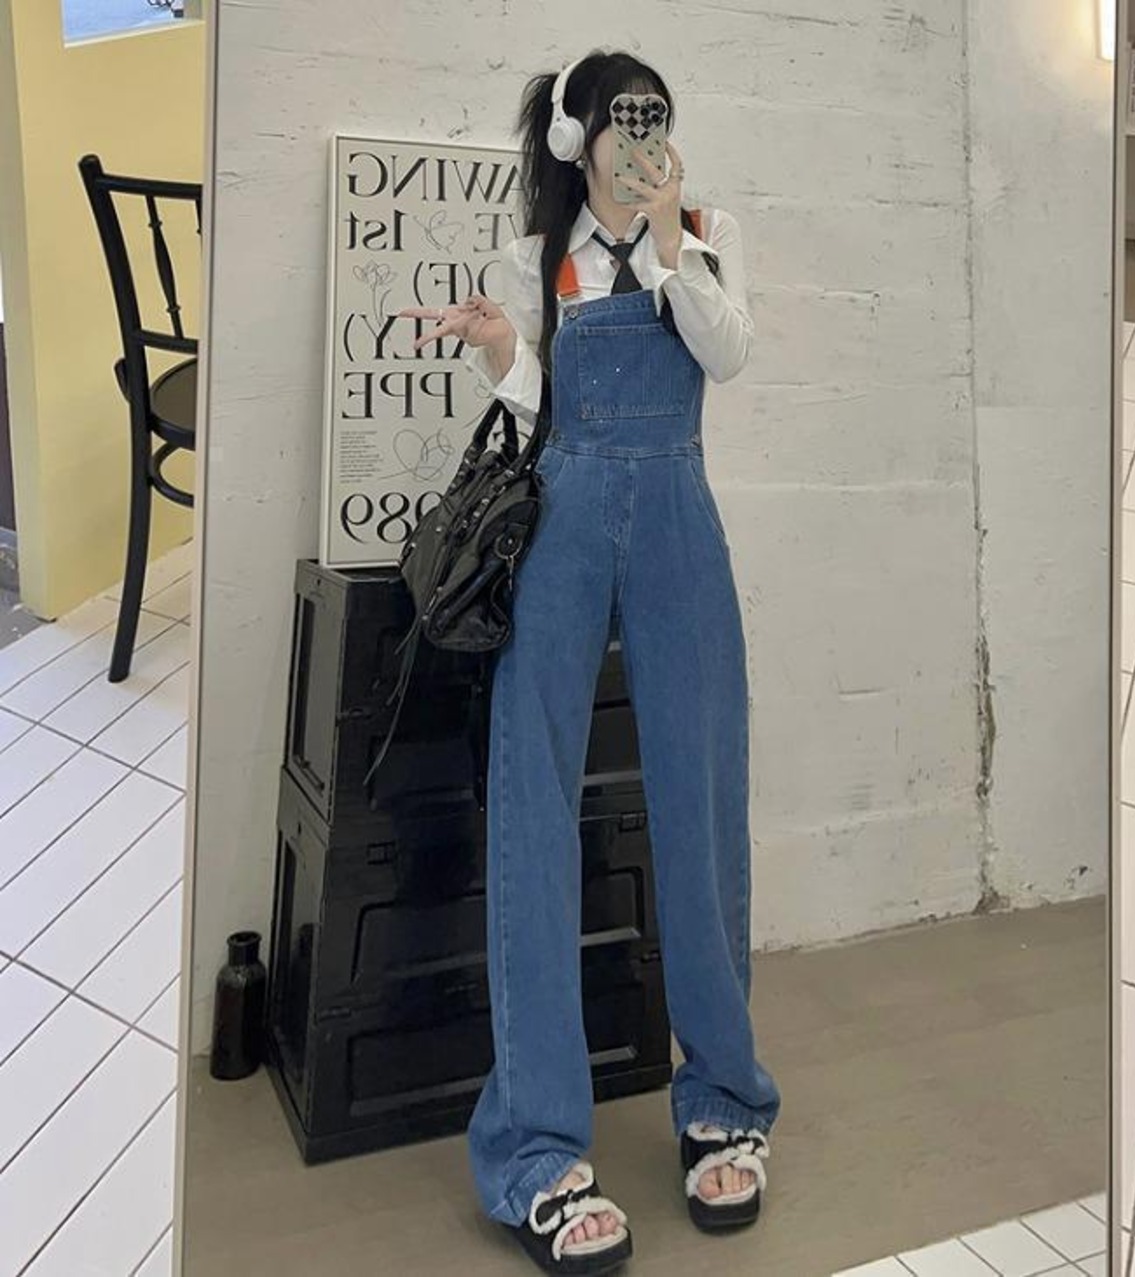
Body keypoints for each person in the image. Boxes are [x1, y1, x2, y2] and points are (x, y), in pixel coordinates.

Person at [401, 48, 781, 1276]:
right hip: (562, 519)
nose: (641, 143)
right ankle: (534, 1148)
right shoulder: (535, 257)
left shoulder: (708, 234)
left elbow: (726, 354)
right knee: (530, 804)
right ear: (580, 138)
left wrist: (669, 243)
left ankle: (722, 1095)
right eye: (622, 124)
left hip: (676, 511)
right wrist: (499, 348)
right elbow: (538, 414)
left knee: (699, 795)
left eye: (656, 121)